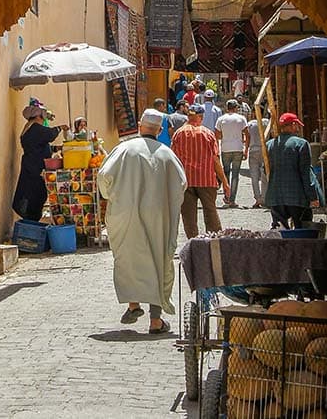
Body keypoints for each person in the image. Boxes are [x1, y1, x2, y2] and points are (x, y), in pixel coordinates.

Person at [98, 109, 187, 334]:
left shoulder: (124, 149)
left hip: (125, 213)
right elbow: (181, 184)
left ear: (140, 125)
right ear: (160, 130)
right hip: (158, 216)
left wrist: (112, 196)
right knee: (158, 260)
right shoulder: (167, 154)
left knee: (128, 258)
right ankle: (155, 320)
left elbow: (104, 176)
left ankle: (133, 304)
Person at [171, 104, 231, 238]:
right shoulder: (208, 134)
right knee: (211, 212)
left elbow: (173, 159)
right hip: (206, 179)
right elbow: (215, 160)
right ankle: (214, 241)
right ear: (200, 117)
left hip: (186, 181)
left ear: (188, 116)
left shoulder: (178, 134)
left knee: (188, 216)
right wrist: (225, 182)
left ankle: (193, 242)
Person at [12, 99, 69, 221]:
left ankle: (31, 220)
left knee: (31, 194)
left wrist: (56, 148)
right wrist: (61, 128)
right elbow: (50, 135)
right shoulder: (35, 128)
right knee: (34, 196)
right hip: (35, 169)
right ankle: (31, 222)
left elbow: (39, 147)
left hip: (31, 166)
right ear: (39, 116)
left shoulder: (29, 129)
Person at [265, 112, 319, 228]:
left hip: (275, 196)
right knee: (302, 230)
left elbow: (266, 170)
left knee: (280, 231)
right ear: (293, 125)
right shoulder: (301, 144)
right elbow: (306, 173)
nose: (298, 128)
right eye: (297, 125)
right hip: (297, 196)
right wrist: (313, 196)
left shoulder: (269, 145)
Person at [215, 99, 249, 208]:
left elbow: (217, 135)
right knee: (235, 175)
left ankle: (227, 196)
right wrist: (246, 149)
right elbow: (247, 134)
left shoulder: (221, 119)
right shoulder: (241, 119)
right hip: (238, 148)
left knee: (226, 173)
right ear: (236, 108)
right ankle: (232, 199)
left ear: (227, 108)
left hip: (225, 148)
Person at [246, 111, 270, 208]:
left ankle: (257, 198)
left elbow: (247, 137)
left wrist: (246, 149)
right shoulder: (267, 122)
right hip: (265, 150)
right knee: (264, 174)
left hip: (253, 150)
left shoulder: (250, 124)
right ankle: (264, 197)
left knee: (254, 176)